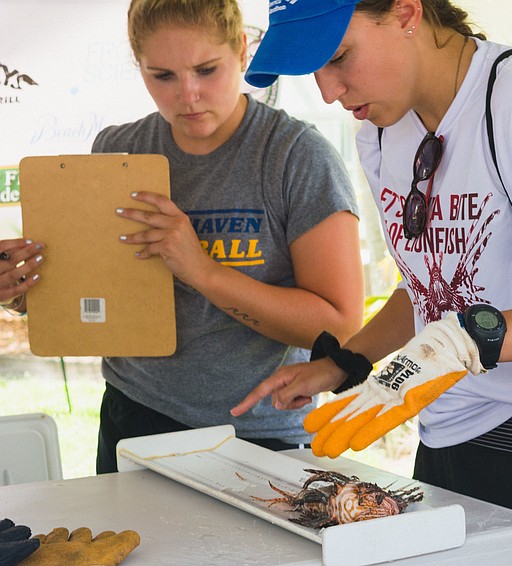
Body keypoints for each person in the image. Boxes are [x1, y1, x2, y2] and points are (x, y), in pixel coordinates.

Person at [231, 1, 512, 563]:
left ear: (407, 12)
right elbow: (426, 288)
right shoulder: (383, 130)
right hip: (444, 450)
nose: (328, 92)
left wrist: (470, 339)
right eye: (314, 71)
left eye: (339, 57)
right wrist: (344, 362)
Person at [0, 0, 364, 474]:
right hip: (133, 415)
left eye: (206, 70)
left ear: (242, 50)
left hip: (258, 433)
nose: (188, 95)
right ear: (139, 68)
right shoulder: (118, 149)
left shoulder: (295, 156)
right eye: (163, 76)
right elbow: (102, 292)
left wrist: (202, 272)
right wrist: (26, 290)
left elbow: (340, 326)